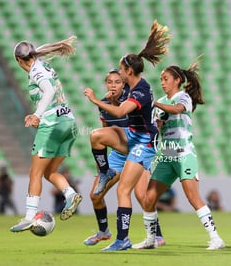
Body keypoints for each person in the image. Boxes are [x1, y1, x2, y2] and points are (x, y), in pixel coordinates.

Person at [84, 20, 171, 251]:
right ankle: (105, 173)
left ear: (129, 71)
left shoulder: (140, 90)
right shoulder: (132, 88)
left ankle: (126, 239)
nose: (119, 73)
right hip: (132, 136)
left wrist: (94, 99)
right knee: (96, 136)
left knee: (127, 190)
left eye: (121, 70)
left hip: (143, 142)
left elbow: (122, 111)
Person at [134, 56, 225, 250]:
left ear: (177, 80)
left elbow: (176, 109)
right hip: (166, 155)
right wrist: (156, 123)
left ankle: (216, 238)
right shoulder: (160, 101)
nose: (163, 82)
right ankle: (151, 239)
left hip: (184, 153)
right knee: (148, 199)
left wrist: (155, 105)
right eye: (161, 79)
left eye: (166, 78)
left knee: (193, 198)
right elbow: (158, 127)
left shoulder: (183, 97)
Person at [10, 36, 82, 233]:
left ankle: (29, 217)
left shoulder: (36, 71)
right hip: (68, 122)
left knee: (35, 172)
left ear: (18, 60)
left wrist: (36, 115)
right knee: (50, 172)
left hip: (52, 123)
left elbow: (49, 91)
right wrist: (38, 116)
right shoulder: (43, 65)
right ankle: (70, 194)